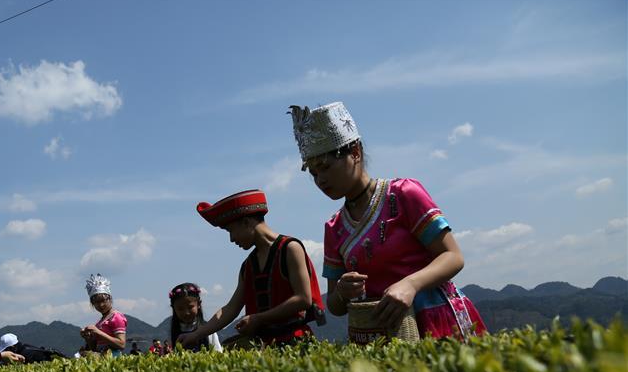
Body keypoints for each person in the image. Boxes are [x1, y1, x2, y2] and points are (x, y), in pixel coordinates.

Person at [288, 102, 487, 339]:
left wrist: (411, 285)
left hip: (436, 319)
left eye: (325, 167)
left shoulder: (403, 194)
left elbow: (453, 257)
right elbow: (335, 306)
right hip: (381, 332)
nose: (320, 179)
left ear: (355, 153)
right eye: (313, 174)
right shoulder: (334, 228)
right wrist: (342, 292)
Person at [178, 189, 325, 349]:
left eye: (231, 230)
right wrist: (197, 334)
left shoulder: (290, 249)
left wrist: (258, 318)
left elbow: (303, 299)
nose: (232, 239)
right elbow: (230, 309)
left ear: (247, 222)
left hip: (296, 343)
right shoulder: (248, 265)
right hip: (264, 347)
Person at [80, 274, 127, 355]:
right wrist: (88, 338)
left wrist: (98, 332)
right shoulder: (101, 321)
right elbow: (94, 348)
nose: (101, 305)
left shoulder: (116, 317)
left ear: (109, 298)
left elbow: (121, 344)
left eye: (103, 300)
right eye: (96, 302)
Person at [169, 283, 223, 352]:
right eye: (180, 309)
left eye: (190, 307)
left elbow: (218, 354)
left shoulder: (208, 330)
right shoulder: (175, 330)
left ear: (199, 304)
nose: (186, 312)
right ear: (173, 308)